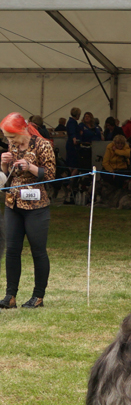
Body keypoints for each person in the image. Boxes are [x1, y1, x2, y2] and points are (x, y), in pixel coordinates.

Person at [0, 113, 56, 309]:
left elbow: (50, 175)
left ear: (22, 130)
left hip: (36, 207)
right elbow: (9, 177)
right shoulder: (13, 146)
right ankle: (10, 296)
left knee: (38, 251)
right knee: (12, 251)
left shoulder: (43, 145)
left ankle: (38, 296)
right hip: (13, 204)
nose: (10, 141)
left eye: (11, 137)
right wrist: (4, 164)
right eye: (7, 138)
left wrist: (30, 167)